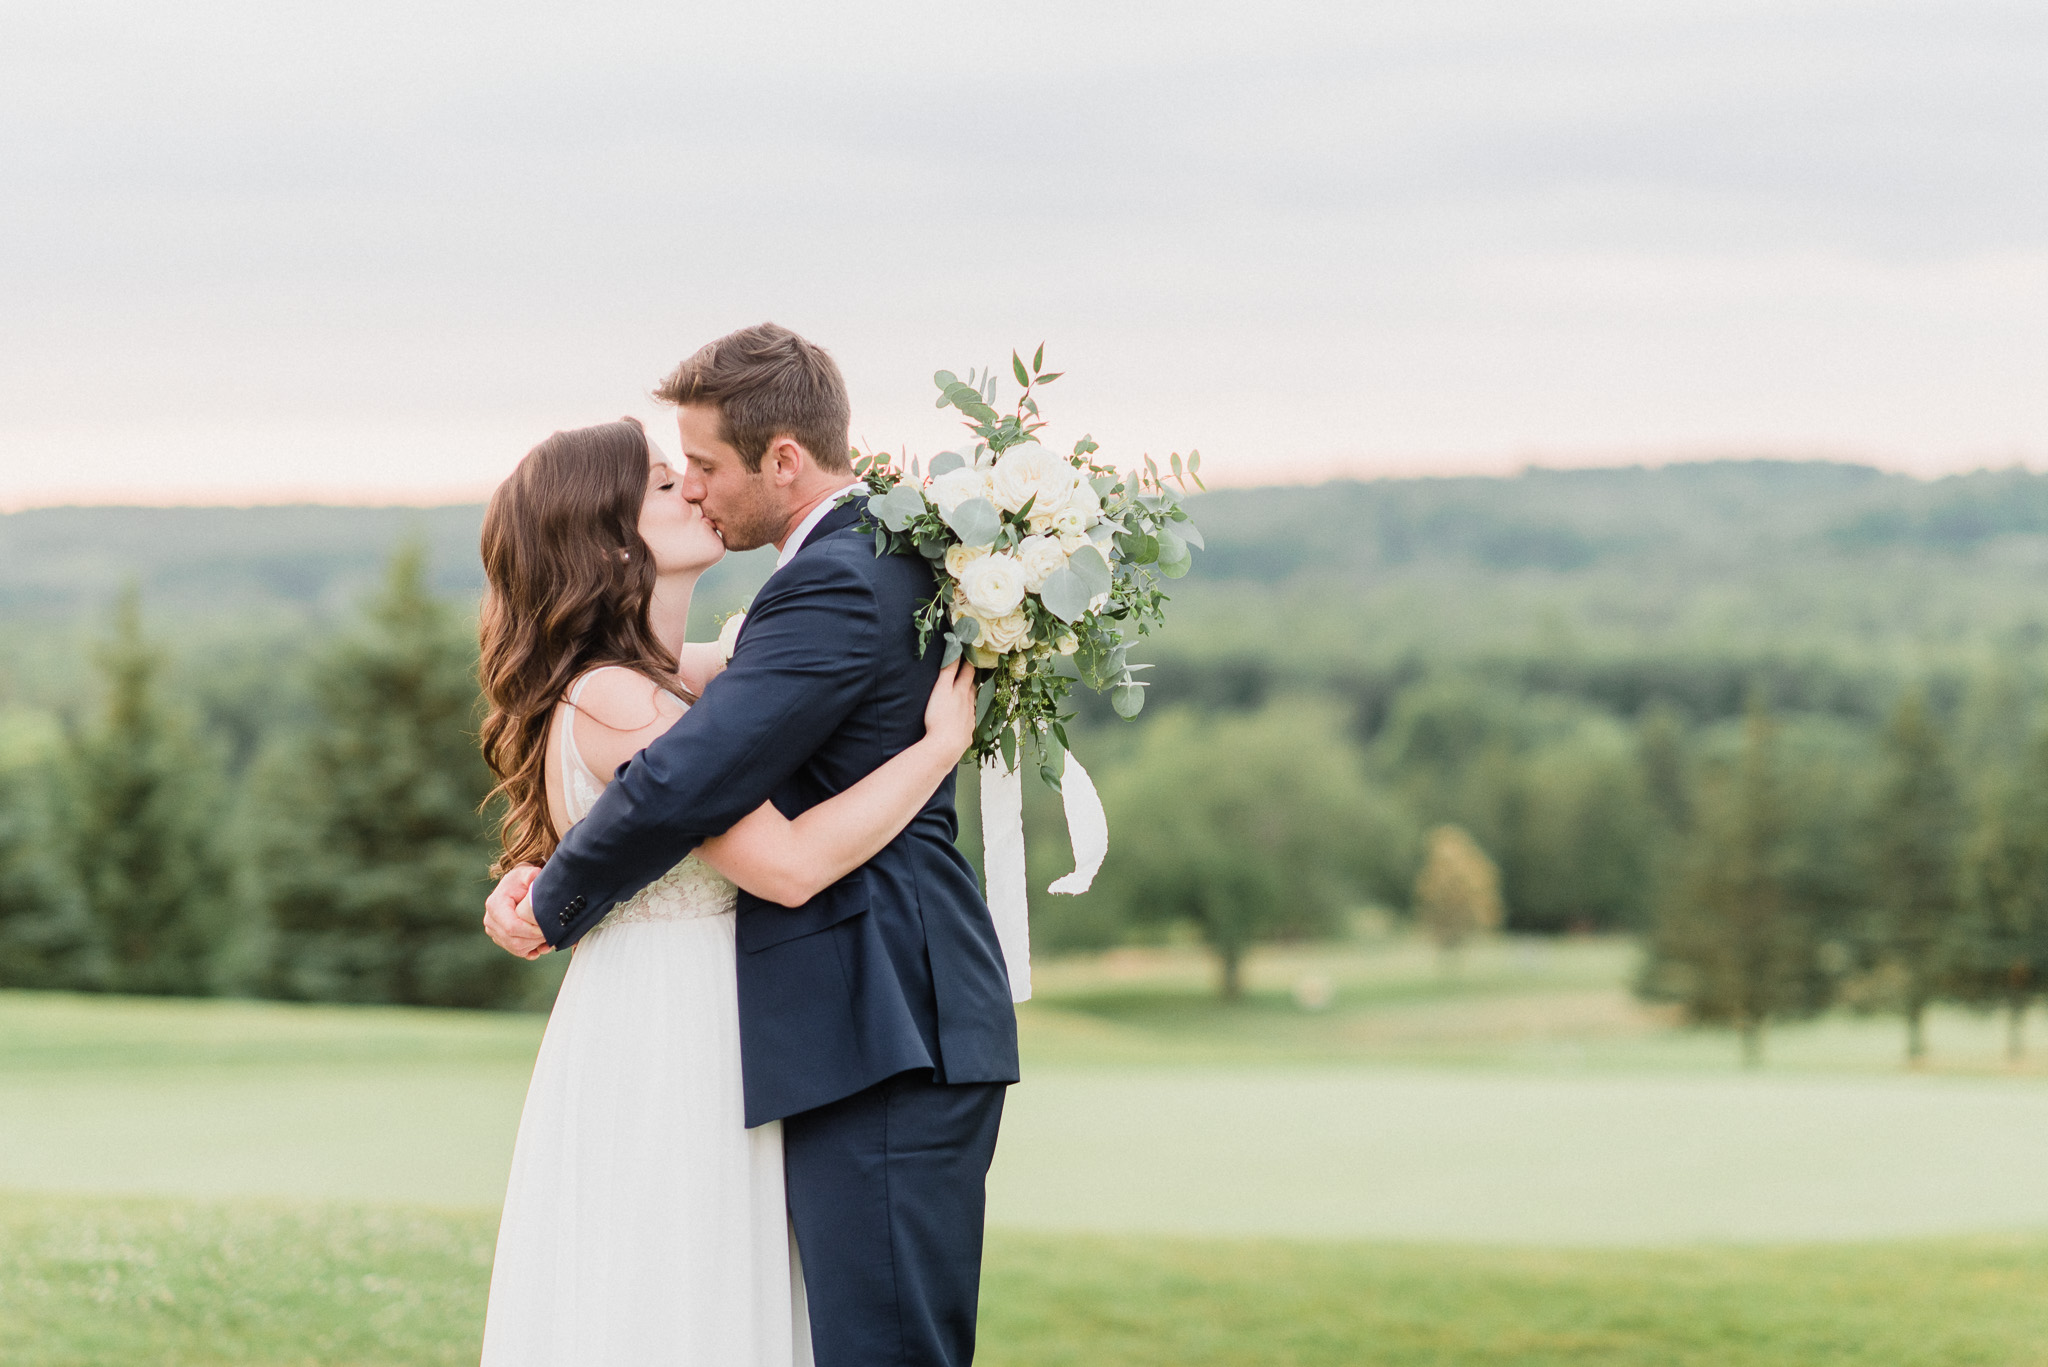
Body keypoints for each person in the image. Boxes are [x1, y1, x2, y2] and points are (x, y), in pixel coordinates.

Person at [484, 323, 1019, 1367]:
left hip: (796, 1024)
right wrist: (932, 751)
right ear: (604, 540)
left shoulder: (708, 650)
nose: (690, 487)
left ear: (779, 459)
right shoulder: (631, 691)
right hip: (690, 1031)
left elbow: (729, 688)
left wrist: (553, 893)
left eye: (698, 467)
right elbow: (763, 843)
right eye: (663, 480)